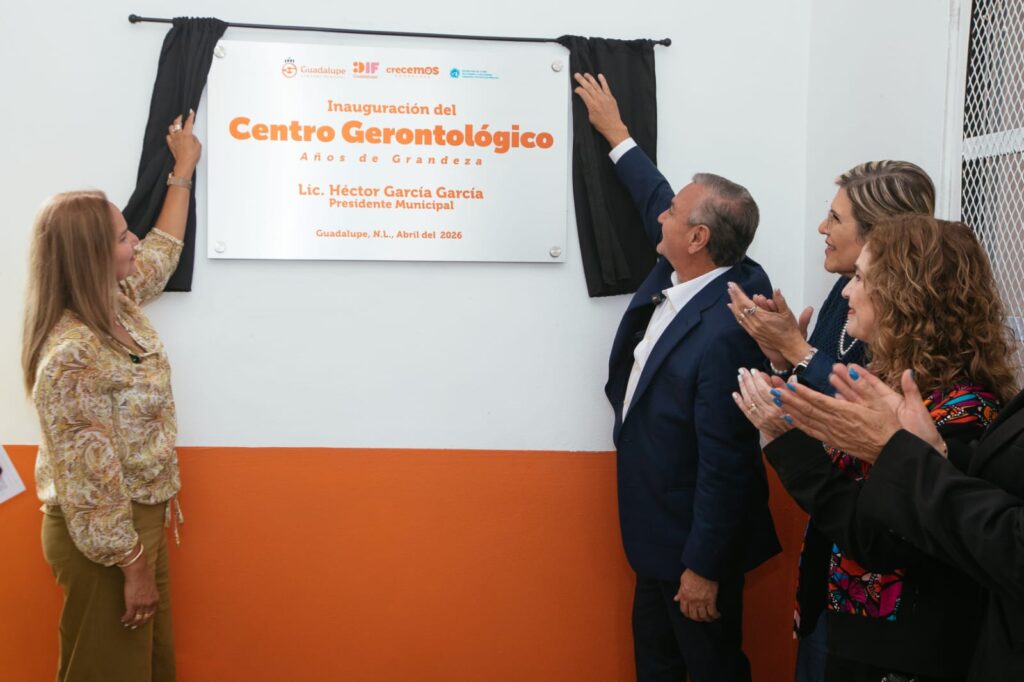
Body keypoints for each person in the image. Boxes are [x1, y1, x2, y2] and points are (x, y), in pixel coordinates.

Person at [734, 216, 1017, 680]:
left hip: (897, 657)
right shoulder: (895, 382)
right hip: (851, 630)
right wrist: (786, 379)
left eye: (862, 278)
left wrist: (787, 443)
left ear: (906, 295)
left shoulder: (964, 410)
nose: (847, 292)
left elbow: (880, 540)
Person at [574, 72, 780, 682]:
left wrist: (703, 569)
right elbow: (655, 196)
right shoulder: (691, 268)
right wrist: (618, 135)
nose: (660, 213)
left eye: (673, 212)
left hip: (694, 555)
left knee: (711, 669)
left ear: (698, 237)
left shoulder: (730, 326)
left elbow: (727, 460)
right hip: (656, 543)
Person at [726, 160, 935, 681]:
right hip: (830, 544)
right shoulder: (841, 300)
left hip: (878, 568)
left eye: (835, 218)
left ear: (878, 235)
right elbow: (820, 394)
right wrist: (784, 363)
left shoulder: (908, 321)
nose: (822, 227)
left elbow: (870, 415)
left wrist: (799, 354)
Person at [22, 111, 201, 681]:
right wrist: (132, 565)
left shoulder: (116, 302)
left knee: (145, 665)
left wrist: (183, 170)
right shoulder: (71, 355)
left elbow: (162, 254)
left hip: (135, 525)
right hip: (106, 539)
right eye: (123, 237)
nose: (134, 242)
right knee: (108, 671)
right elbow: (90, 485)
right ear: (91, 255)